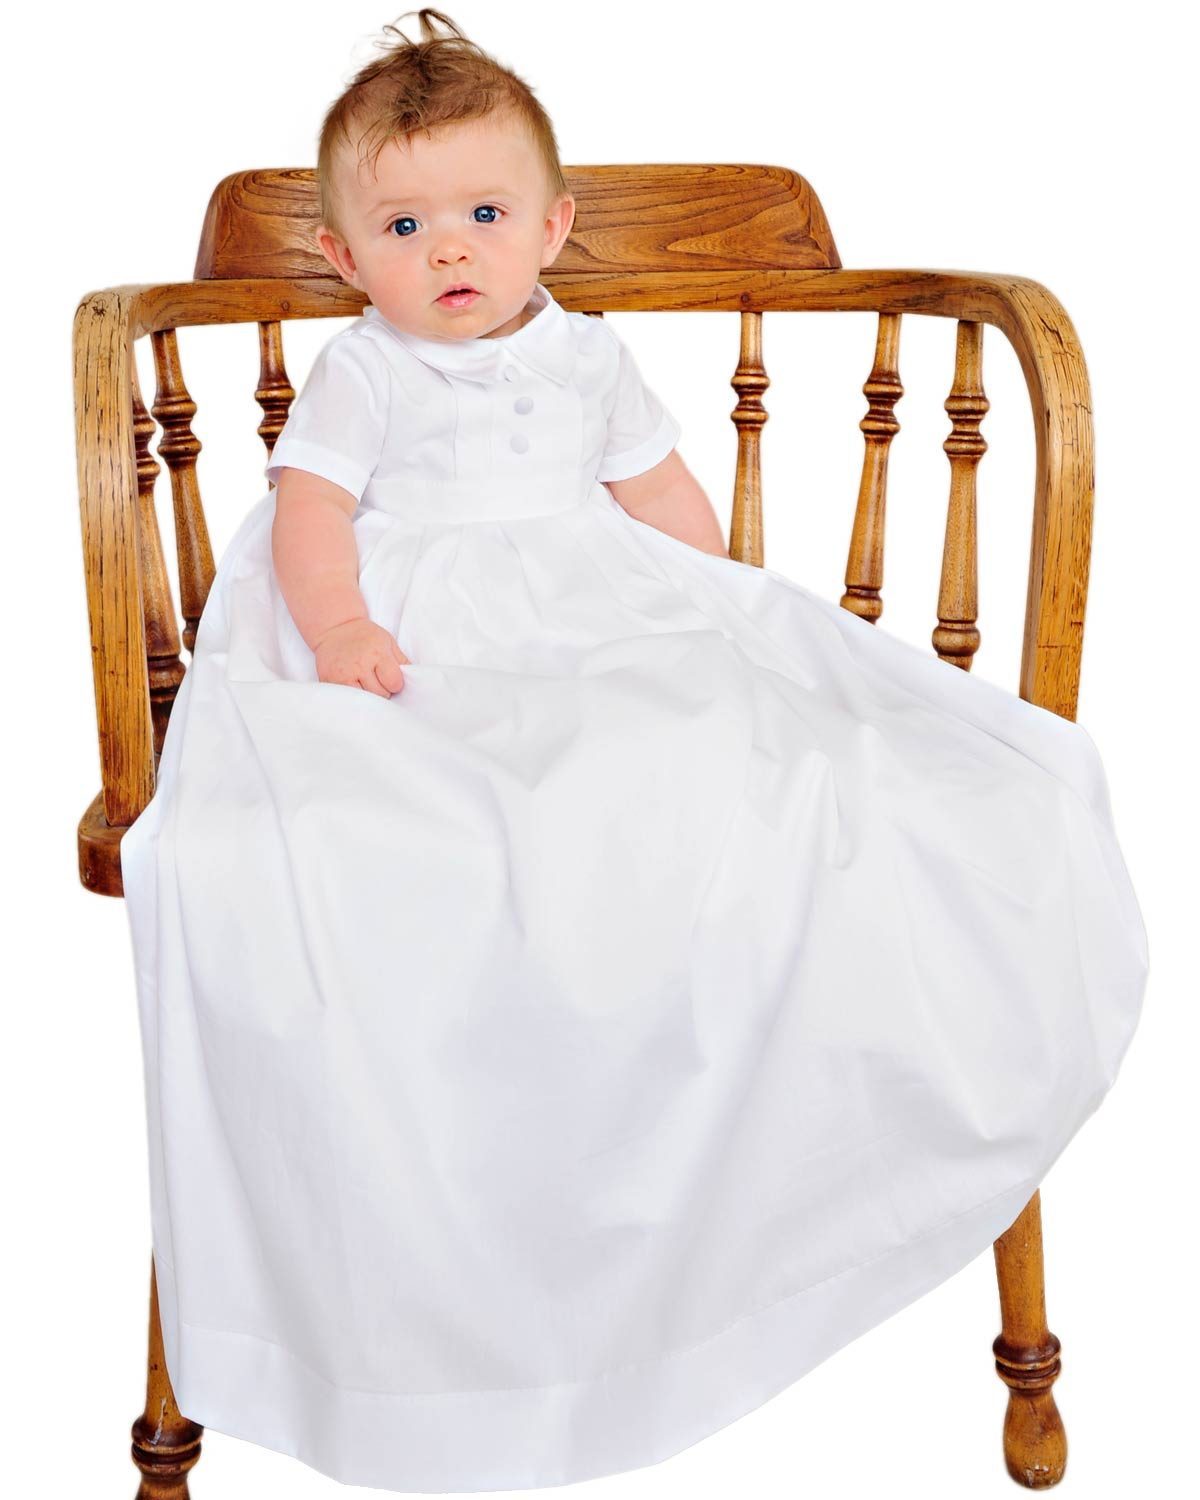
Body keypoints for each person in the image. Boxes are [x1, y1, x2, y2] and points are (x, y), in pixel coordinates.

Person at [118, 8, 1150, 1492]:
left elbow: (663, 498)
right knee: (419, 820)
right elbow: (313, 515)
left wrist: (724, 607)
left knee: (721, 753)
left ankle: (758, 1210)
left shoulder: (588, 355)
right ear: (345, 258)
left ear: (553, 228)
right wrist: (337, 626)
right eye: (405, 227)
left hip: (589, 601)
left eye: (486, 216)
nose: (450, 250)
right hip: (426, 622)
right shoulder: (364, 372)